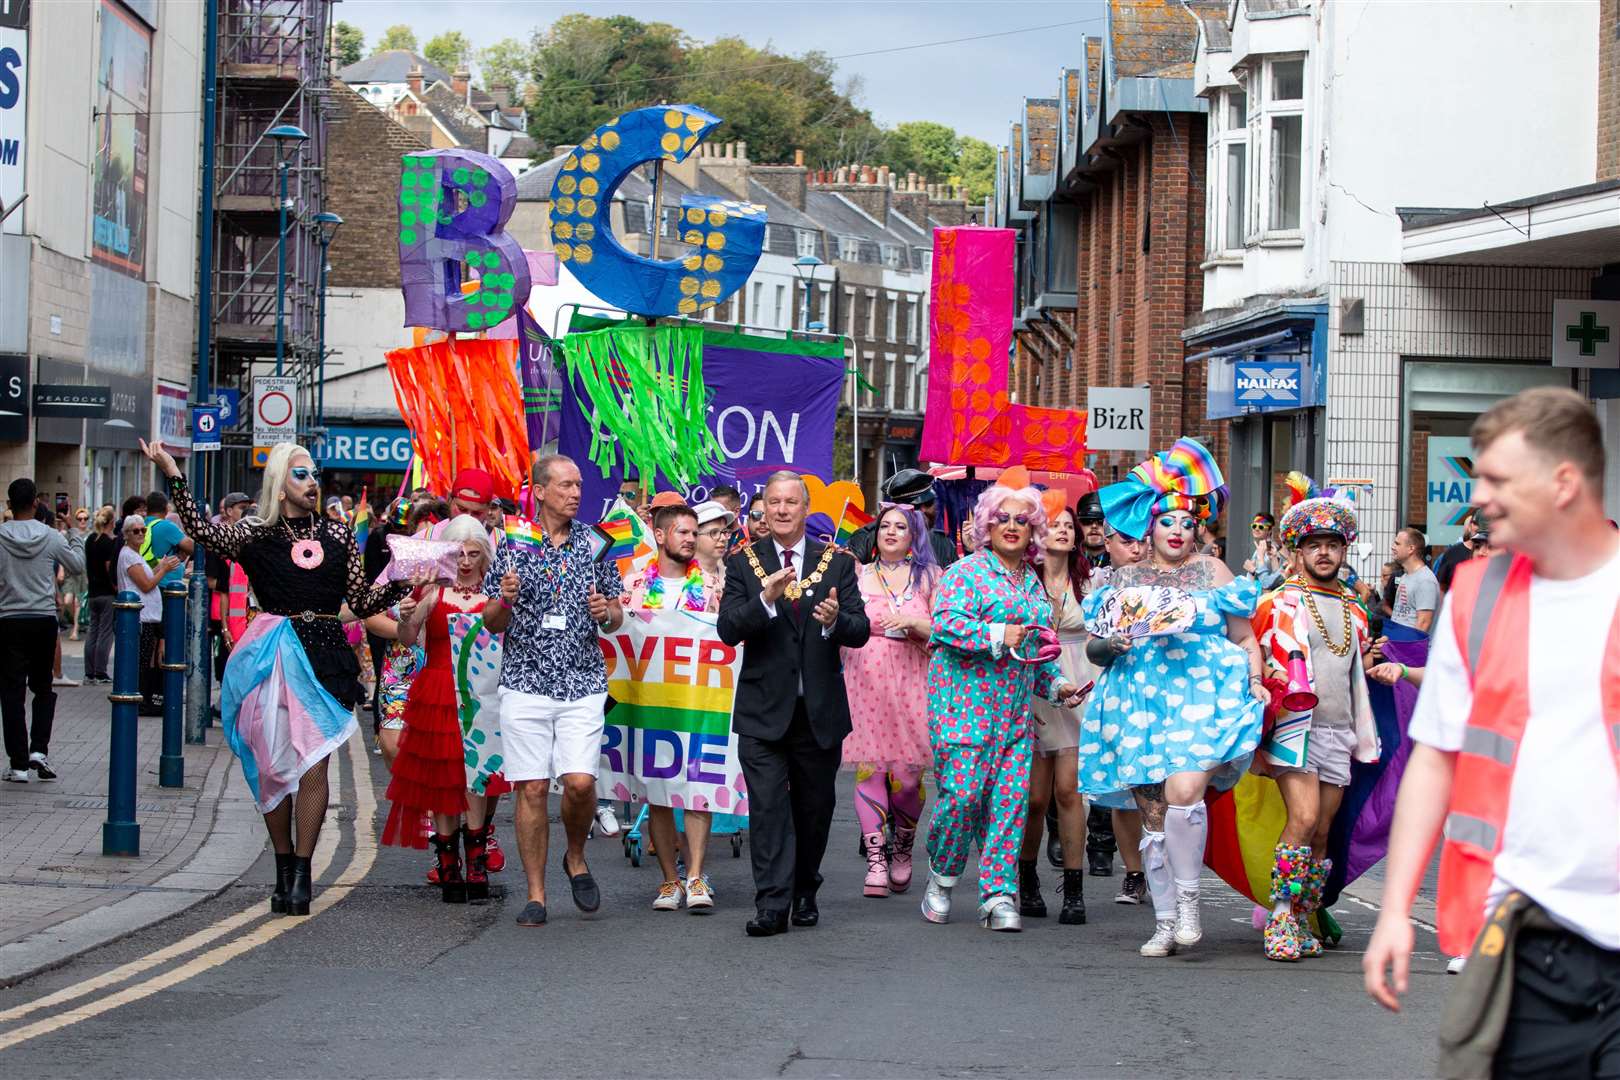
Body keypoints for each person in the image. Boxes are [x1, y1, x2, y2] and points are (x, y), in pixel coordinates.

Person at [1364, 388, 1620, 1079]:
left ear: (1564, 482)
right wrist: (1393, 911)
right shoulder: (1475, 596)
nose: (1478, 496)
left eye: (1498, 479)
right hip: (1529, 952)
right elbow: (1436, 759)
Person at [141, 438, 413, 917]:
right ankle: (283, 864)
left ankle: (303, 874)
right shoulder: (254, 534)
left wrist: (403, 581)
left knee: (313, 764)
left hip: (326, 655)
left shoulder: (339, 535)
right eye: (301, 475)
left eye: (314, 474)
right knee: (271, 767)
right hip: (271, 654)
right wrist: (172, 472)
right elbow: (203, 533)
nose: (312, 483)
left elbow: (362, 601)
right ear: (280, 485)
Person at [1081, 438, 1269, 957]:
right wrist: (1110, 644)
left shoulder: (1216, 574)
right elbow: (1096, 650)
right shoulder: (1120, 579)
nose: (1179, 531)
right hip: (1138, 704)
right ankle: (1164, 922)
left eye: (1188, 522)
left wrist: (1254, 677)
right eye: (1169, 521)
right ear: (1151, 526)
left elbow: (1245, 637)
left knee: (1186, 792)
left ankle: (1188, 904)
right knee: (1155, 817)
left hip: (1202, 701)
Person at [918, 484, 1088, 932]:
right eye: (1003, 519)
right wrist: (997, 634)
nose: (1012, 527)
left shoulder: (1032, 582)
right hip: (961, 709)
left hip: (1013, 716)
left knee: (1010, 806)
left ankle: (998, 895)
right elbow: (946, 626)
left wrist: (1059, 688)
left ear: (1032, 530)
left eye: (1021, 520)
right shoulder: (965, 573)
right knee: (963, 799)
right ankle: (942, 875)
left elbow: (1035, 652)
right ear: (987, 525)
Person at [718, 470, 869, 937]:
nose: (782, 511)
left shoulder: (837, 563)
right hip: (763, 711)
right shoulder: (745, 563)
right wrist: (764, 601)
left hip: (818, 712)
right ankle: (771, 903)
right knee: (766, 809)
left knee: (814, 810)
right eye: (773, 504)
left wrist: (834, 620)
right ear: (763, 510)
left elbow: (860, 630)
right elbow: (728, 630)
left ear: (806, 509)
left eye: (791, 503)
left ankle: (805, 887)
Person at [482, 454, 625, 929]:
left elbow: (616, 615)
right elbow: (492, 620)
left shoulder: (597, 542)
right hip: (524, 680)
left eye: (578, 485)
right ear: (540, 491)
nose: (575, 493)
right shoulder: (513, 543)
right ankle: (537, 895)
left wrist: (605, 610)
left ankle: (576, 856)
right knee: (532, 788)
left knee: (581, 783)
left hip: (582, 680)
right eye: (564, 485)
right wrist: (505, 597)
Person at [1251, 483, 1378, 962]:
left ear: (1344, 549)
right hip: (1294, 728)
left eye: (1332, 544)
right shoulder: (1278, 602)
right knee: (1301, 819)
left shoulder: (1356, 608)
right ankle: (1280, 914)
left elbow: (1354, 673)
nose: (1324, 553)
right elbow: (1257, 660)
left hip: (1340, 730)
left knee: (1322, 832)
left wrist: (1379, 665)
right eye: (1313, 545)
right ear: (1297, 551)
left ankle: (1304, 914)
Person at [387, 516, 496, 904]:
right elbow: (407, 637)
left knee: (475, 778)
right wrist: (403, 616)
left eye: (473, 553)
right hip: (436, 690)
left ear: (485, 557)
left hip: (480, 693)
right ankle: (449, 865)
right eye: (458, 553)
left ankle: (477, 862)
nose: (465, 561)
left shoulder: (496, 597)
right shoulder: (430, 593)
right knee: (444, 780)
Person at [625, 503, 722, 912]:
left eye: (692, 531)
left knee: (698, 790)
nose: (689, 537)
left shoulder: (712, 589)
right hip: (653, 703)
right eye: (681, 531)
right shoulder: (634, 584)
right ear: (660, 536)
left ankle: (696, 875)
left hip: (700, 701)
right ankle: (669, 880)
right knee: (660, 792)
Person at [840, 504, 939, 899]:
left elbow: (946, 628)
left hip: (915, 676)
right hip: (866, 675)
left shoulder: (932, 577)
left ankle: (903, 841)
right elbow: (842, 625)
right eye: (885, 526)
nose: (892, 532)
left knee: (908, 776)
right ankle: (876, 857)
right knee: (871, 768)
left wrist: (916, 625)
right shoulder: (859, 575)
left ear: (914, 535)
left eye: (901, 526)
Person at [1017, 497, 1095, 925]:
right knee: (1033, 798)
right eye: (1054, 524)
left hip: (1080, 683)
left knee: (1071, 793)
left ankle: (1074, 887)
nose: (1063, 530)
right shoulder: (1024, 581)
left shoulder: (1089, 581)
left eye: (1069, 525)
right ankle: (1026, 879)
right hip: (1035, 684)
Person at [0, 479, 87, 783]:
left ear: (10, 504)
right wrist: (73, 532)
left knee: (11, 693)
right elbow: (76, 566)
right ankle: (39, 750)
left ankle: (19, 765)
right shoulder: (51, 536)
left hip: (9, 618)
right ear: (36, 502)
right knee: (43, 687)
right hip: (43, 619)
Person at [1090, 522, 1151, 906]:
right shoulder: (1104, 589)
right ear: (1108, 544)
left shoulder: (1170, 582)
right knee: (1126, 787)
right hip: (1122, 692)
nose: (1137, 549)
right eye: (1127, 541)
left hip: (1167, 693)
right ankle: (1133, 872)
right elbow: (1094, 651)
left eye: (1142, 541)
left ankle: (1166, 869)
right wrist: (1111, 644)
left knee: (1166, 788)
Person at [117, 515, 180, 716]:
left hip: (147, 617)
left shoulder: (135, 556)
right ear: (126, 534)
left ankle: (143, 699)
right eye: (135, 531)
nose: (141, 534)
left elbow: (146, 578)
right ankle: (140, 701)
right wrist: (165, 570)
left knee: (146, 661)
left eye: (143, 530)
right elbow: (146, 585)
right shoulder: (128, 555)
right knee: (141, 663)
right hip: (140, 617)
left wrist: (159, 567)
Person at [847, 468, 957, 568]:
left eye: (929, 503)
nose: (924, 511)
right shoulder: (866, 539)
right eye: (916, 506)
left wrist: (970, 551)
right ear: (896, 508)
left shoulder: (944, 545)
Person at [83, 507, 122, 685]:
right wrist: (116, 586)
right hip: (107, 593)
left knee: (92, 631)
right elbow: (109, 567)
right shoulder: (109, 542)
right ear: (112, 522)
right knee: (105, 633)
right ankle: (100, 672)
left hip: (93, 592)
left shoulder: (91, 539)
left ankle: (89, 672)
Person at [1388, 526, 1438, 636]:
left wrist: (1406, 649)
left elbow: (1423, 623)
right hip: (1399, 647)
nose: (1392, 547)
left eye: (1397, 544)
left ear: (1411, 548)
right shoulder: (1406, 575)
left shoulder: (1425, 580)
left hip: (1411, 650)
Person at [59, 506, 90, 641]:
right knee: (67, 601)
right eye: (80, 518)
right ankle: (74, 622)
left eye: (85, 518)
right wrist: (60, 569)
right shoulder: (70, 534)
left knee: (78, 601)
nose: (83, 521)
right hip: (70, 571)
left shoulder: (91, 535)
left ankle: (75, 629)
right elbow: (61, 552)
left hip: (84, 572)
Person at [1243, 512, 1286, 589]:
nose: (1256, 529)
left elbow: (1273, 581)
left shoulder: (1272, 550)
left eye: (1261, 527)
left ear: (1269, 530)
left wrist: (1252, 571)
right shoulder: (1260, 547)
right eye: (1254, 525)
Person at [1076, 492, 1107, 569]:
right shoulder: (1069, 560)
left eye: (1100, 521)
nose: (1094, 526)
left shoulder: (1121, 559)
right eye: (1087, 521)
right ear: (1078, 524)